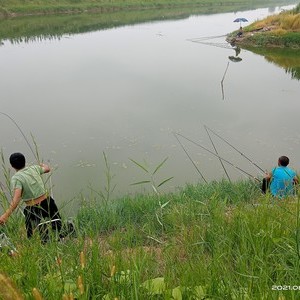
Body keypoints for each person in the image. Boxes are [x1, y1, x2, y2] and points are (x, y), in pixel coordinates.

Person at [0, 152, 62, 242]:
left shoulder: (16, 178)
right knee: (58, 225)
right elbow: (47, 169)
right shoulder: (34, 168)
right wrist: (43, 165)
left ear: (12, 166)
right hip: (48, 202)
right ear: (24, 161)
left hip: (33, 209)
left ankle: (41, 244)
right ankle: (60, 240)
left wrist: (5, 215)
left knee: (32, 236)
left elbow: (16, 199)